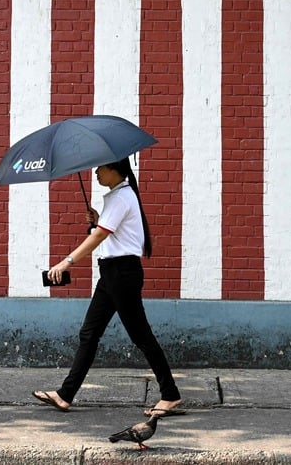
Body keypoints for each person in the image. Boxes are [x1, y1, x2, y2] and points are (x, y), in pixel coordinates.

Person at [32, 157, 183, 417]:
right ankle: (65, 395)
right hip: (112, 275)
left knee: (141, 336)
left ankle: (170, 395)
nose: (96, 172)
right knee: (89, 334)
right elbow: (113, 232)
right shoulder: (119, 196)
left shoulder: (121, 197)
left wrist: (66, 262)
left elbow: (100, 236)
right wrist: (99, 218)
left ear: (115, 169)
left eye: (101, 168)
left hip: (122, 275)